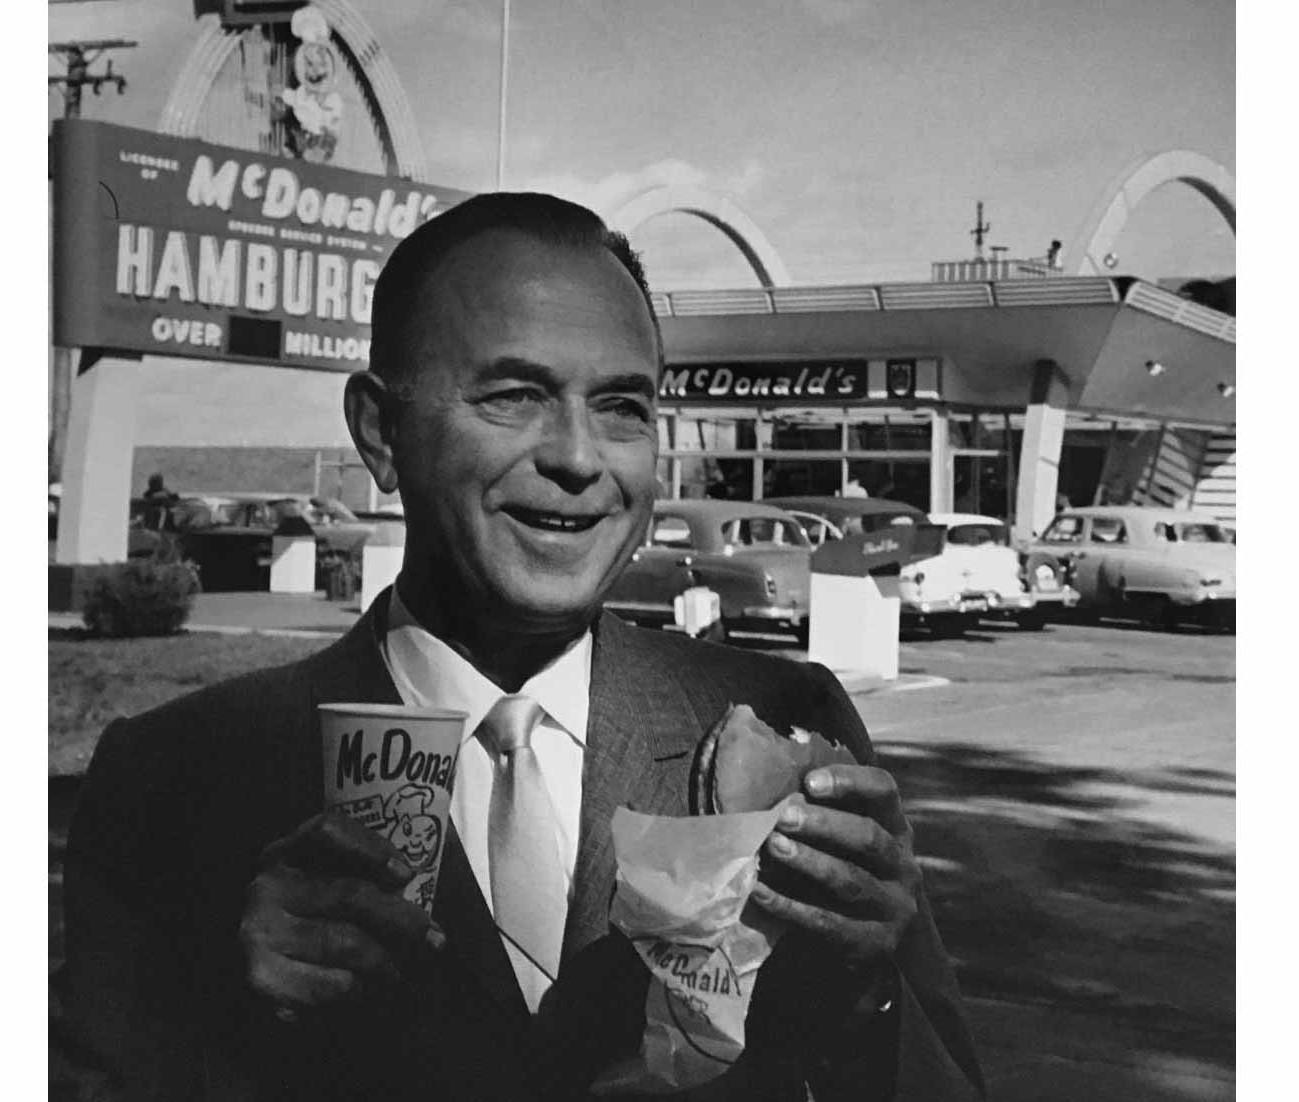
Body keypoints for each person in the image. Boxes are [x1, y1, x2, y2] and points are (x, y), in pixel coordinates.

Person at [58, 194, 984, 1101]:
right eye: (514, 395)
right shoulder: (175, 781)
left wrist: (869, 996)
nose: (580, 458)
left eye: (622, 407)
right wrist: (223, 1018)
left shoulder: (791, 728)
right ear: (381, 433)